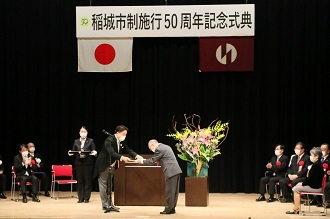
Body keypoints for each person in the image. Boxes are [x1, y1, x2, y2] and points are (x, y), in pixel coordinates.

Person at [93, 125, 143, 213]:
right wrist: (122, 158)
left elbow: (128, 150)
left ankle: (111, 204)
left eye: (126, 134)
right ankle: (105, 206)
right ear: (117, 133)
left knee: (110, 185)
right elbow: (111, 152)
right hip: (104, 165)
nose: (125, 136)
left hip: (112, 165)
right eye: (123, 134)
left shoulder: (120, 141)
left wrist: (137, 156)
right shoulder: (109, 140)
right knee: (103, 185)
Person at [137, 139, 182, 214]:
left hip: (170, 171)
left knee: (170, 191)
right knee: (174, 192)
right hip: (176, 170)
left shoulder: (159, 149)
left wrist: (142, 161)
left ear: (152, 145)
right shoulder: (165, 146)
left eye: (151, 149)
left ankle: (168, 210)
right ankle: (172, 208)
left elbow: (152, 160)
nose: (153, 151)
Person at [286, 147, 324, 214]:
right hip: (315, 186)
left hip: (316, 187)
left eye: (312, 155)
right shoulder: (316, 164)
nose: (310, 157)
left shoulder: (317, 166)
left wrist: (302, 184)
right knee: (296, 187)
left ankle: (296, 209)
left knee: (295, 189)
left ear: (317, 156)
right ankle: (296, 208)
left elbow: (312, 179)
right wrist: (302, 182)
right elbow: (310, 178)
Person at [69, 126, 97, 203]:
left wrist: (94, 153)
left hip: (88, 163)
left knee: (87, 180)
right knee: (80, 180)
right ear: (79, 133)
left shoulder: (90, 141)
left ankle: (86, 198)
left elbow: (94, 150)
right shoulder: (76, 141)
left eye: (84, 131)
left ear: (87, 133)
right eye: (81, 132)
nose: (83, 133)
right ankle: (80, 198)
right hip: (78, 163)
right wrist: (71, 153)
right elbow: (73, 151)